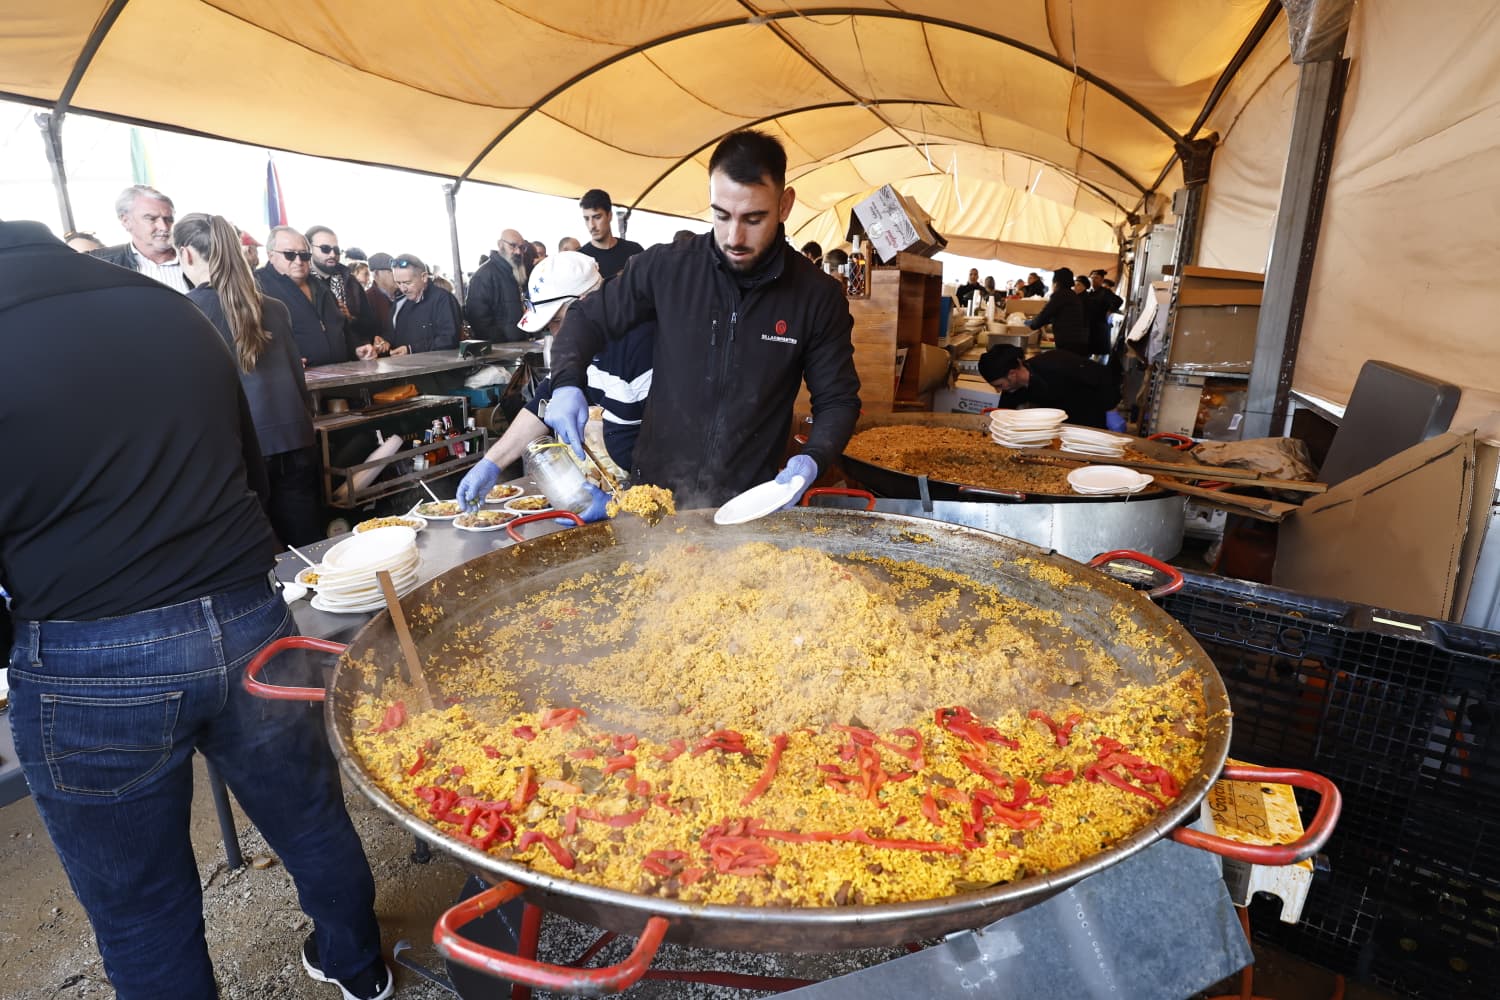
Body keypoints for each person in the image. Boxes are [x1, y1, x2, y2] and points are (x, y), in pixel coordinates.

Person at [0, 218, 391, 1000]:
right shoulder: (169, 309)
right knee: (311, 818)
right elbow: (248, 464)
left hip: (88, 654)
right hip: (248, 619)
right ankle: (361, 968)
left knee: (143, 908)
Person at [545, 128, 860, 509]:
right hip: (655, 496)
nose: (734, 237)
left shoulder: (816, 296)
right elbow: (587, 317)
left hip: (746, 503)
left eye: (754, 218)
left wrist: (814, 457)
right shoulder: (668, 267)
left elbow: (838, 399)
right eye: (721, 215)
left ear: (785, 205)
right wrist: (565, 383)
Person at [456, 252, 654, 512]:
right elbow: (543, 403)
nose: (557, 334)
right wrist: (492, 463)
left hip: (662, 500)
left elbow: (674, 455)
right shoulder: (577, 353)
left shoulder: (641, 348)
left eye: (559, 321)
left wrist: (622, 506)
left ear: (589, 303)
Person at [176, 213, 322, 546]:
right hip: (295, 438)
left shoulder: (189, 310)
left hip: (242, 450)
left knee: (261, 551)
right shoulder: (275, 307)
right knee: (308, 548)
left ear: (185, 253)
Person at [256, 226, 372, 365]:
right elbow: (248, 339)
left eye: (304, 255)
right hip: (293, 381)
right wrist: (280, 363)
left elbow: (341, 328)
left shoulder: (320, 286)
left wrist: (356, 348)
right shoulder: (256, 288)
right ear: (271, 255)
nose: (299, 261)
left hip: (338, 377)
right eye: (289, 254)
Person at [978, 343, 1121, 429]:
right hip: (1064, 425)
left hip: (1090, 415)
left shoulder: (1055, 363)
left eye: (999, 385)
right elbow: (1004, 414)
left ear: (1012, 374)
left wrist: (1111, 409)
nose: (998, 390)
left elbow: (1102, 375)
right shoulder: (1013, 389)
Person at [91, 184, 191, 291]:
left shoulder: (199, 258)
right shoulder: (102, 264)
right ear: (126, 221)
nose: (164, 227)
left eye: (169, 219)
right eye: (151, 219)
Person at [307, 225, 380, 347]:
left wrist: (349, 318)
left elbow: (370, 324)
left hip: (352, 356)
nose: (332, 254)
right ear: (309, 249)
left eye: (336, 250)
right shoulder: (301, 281)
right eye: (325, 249)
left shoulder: (351, 282)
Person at [464, 231, 529, 342]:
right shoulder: (484, 275)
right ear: (500, 244)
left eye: (522, 248)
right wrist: (501, 342)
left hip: (517, 346)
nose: (518, 252)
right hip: (500, 351)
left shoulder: (513, 272)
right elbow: (478, 318)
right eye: (513, 246)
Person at [390, 254, 463, 354]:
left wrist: (411, 349)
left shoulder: (443, 300)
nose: (403, 289)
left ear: (424, 277)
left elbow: (449, 339)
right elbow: (394, 335)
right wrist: (385, 342)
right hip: (404, 366)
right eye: (398, 283)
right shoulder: (399, 301)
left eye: (407, 283)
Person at [576, 188, 644, 280]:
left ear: (609, 216)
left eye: (597, 217)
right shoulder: (580, 260)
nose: (591, 225)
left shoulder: (634, 251)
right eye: (587, 219)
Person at [1026, 267, 1089, 354]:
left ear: (1057, 283)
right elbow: (1059, 314)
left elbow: (1046, 314)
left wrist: (1032, 324)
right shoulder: (1071, 294)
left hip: (1068, 340)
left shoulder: (1060, 295)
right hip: (1076, 339)